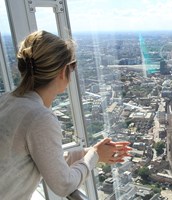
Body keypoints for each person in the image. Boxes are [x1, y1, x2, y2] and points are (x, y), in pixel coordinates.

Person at [0, 30, 132, 200]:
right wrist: (94, 156)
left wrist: (90, 152)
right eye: (73, 66)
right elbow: (63, 185)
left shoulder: (7, 101)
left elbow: (42, 157)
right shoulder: (39, 117)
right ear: (63, 71)